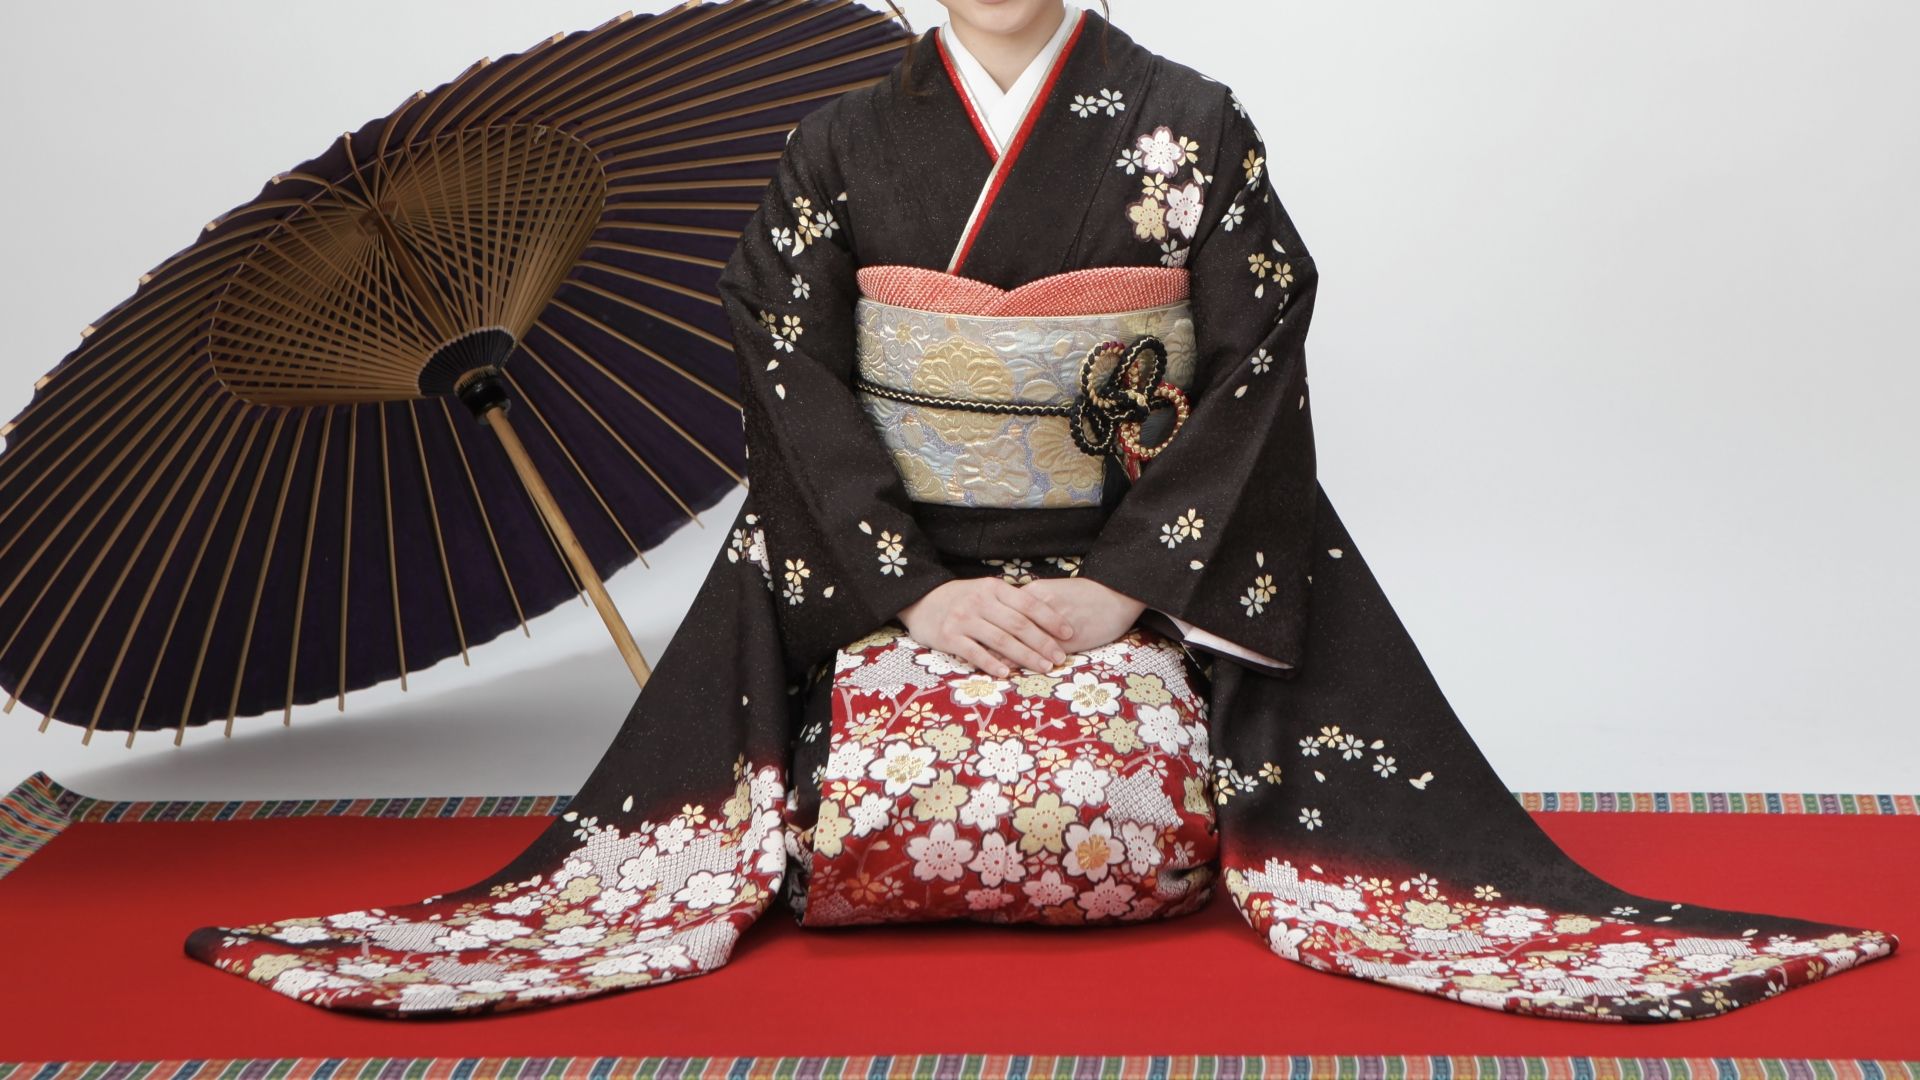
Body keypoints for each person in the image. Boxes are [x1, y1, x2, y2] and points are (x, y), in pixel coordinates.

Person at [183, 0, 1897, 1021]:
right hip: (894, 560)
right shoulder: (842, 139)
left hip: (1129, 542)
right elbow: (788, 361)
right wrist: (910, 591)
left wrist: (1127, 581)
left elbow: (1258, 341)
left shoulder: (1188, 123)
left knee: (1363, 761)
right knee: (729, 688)